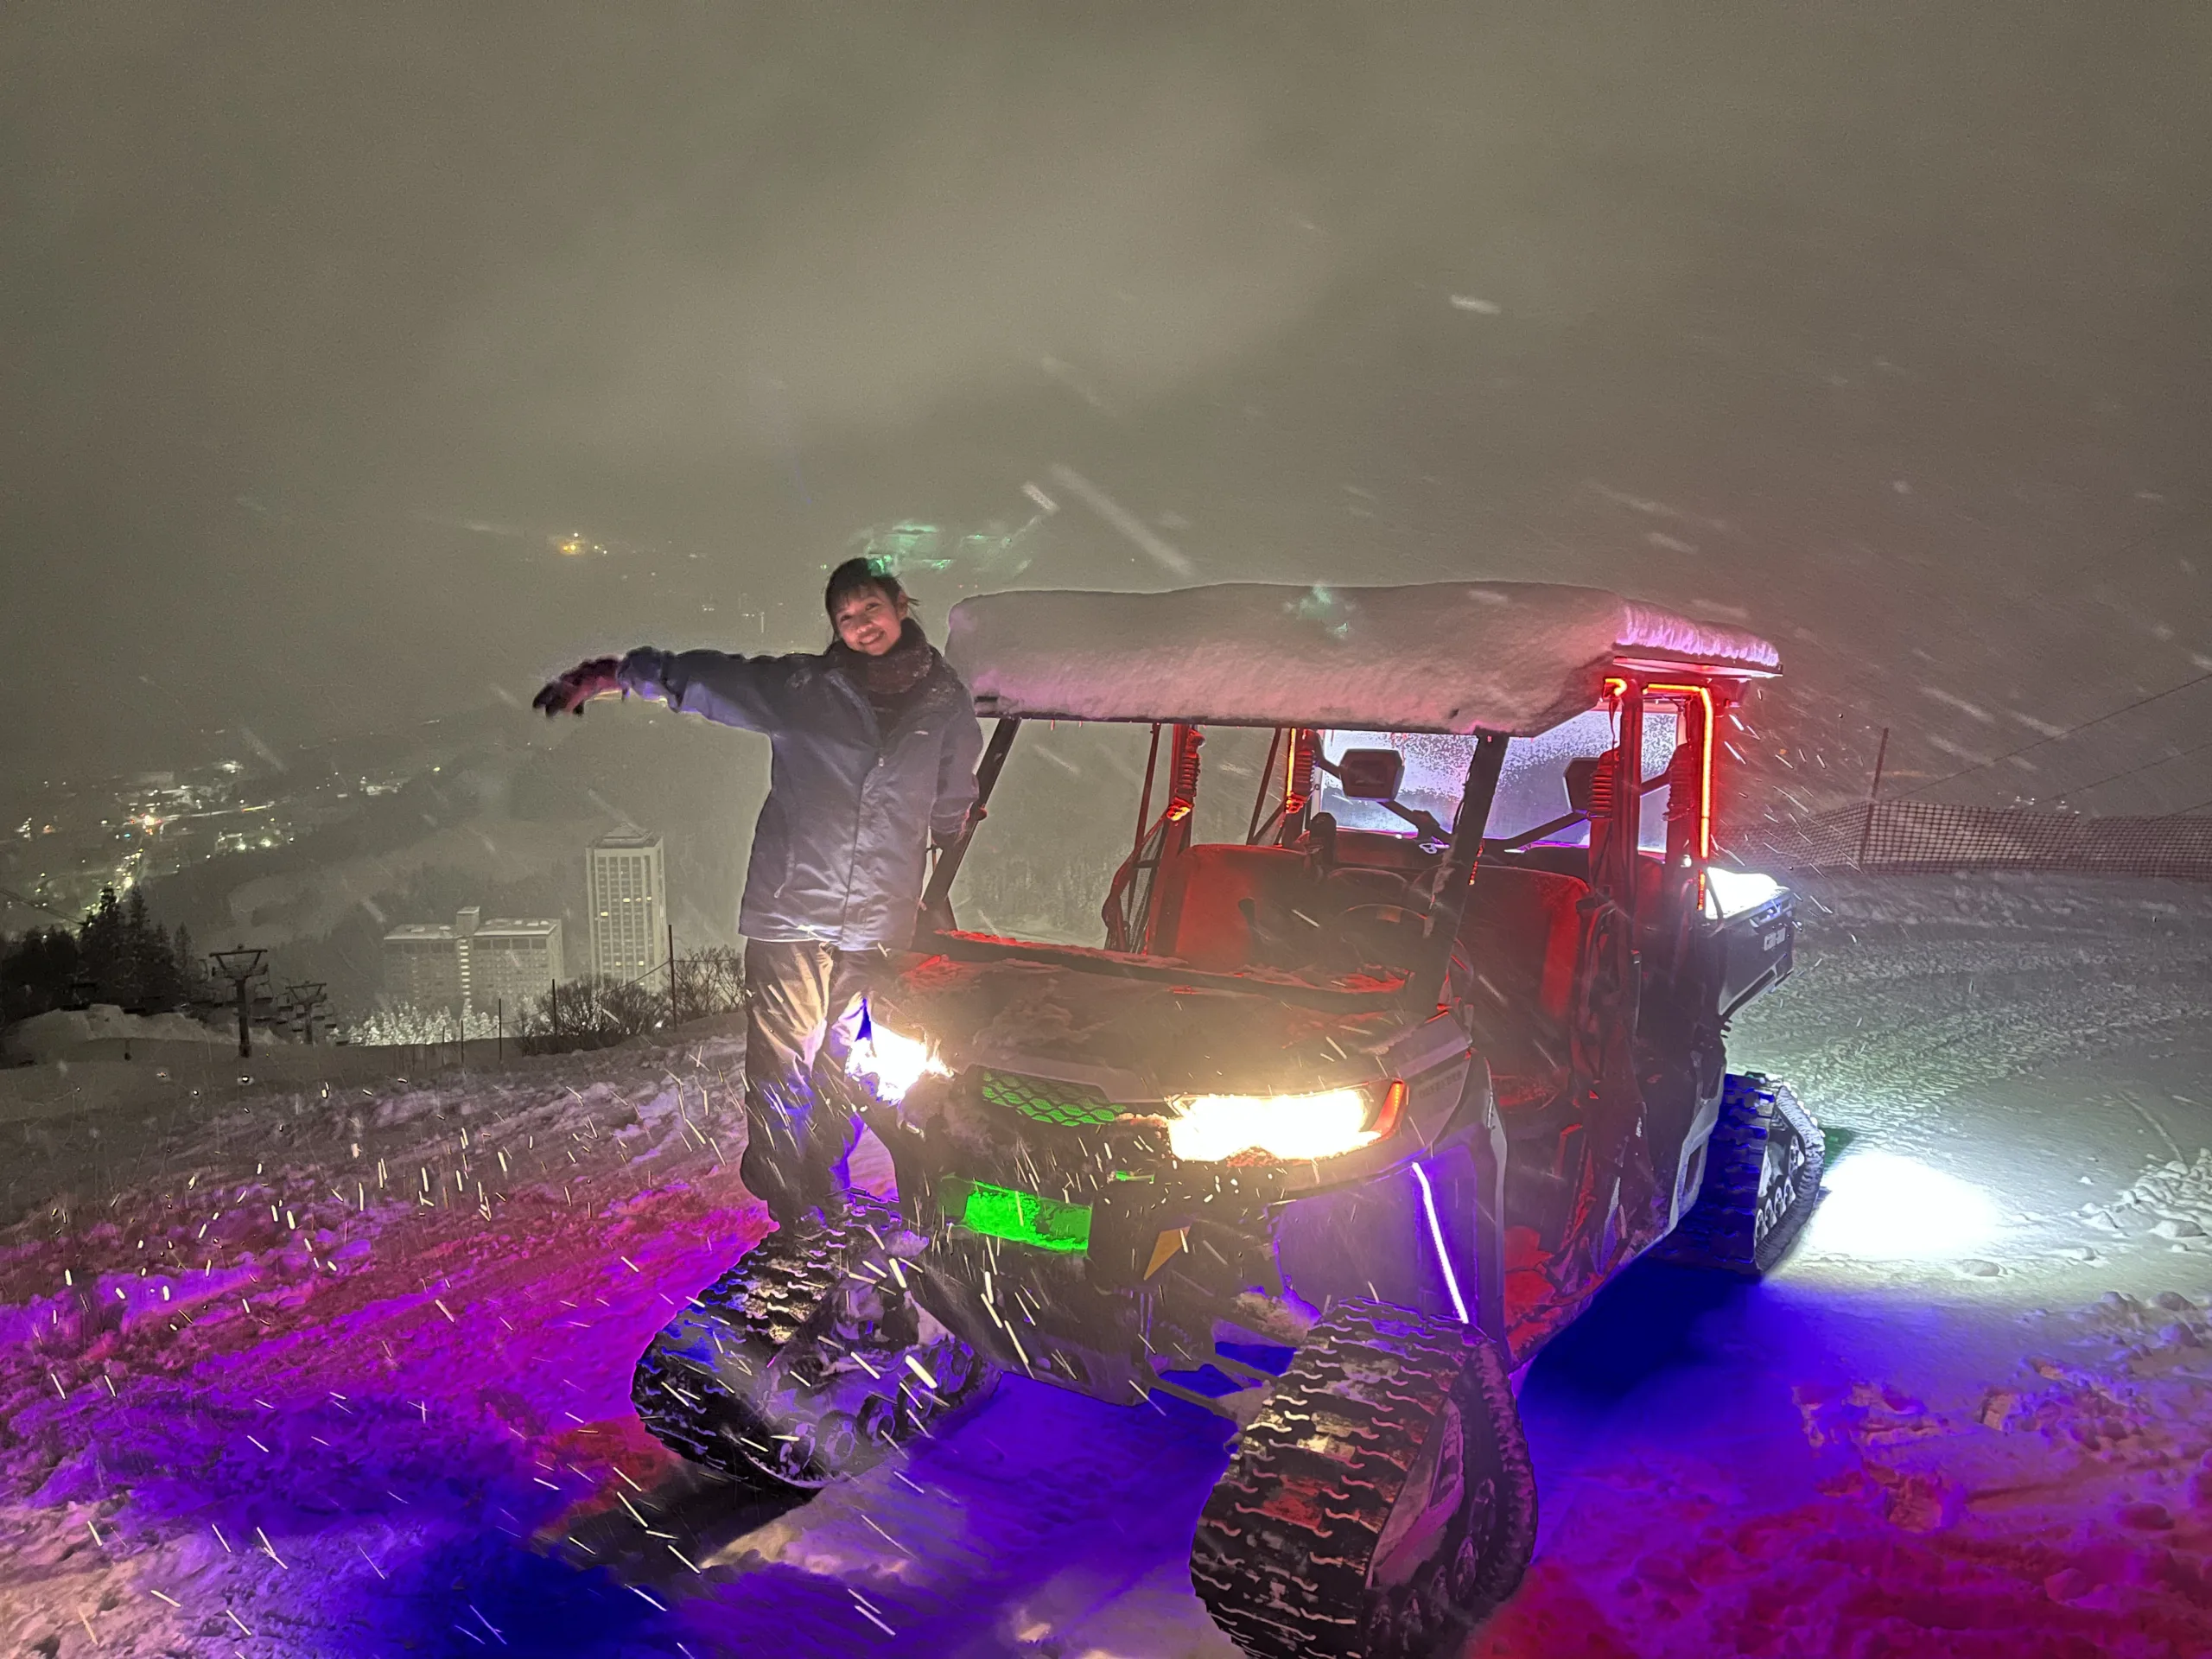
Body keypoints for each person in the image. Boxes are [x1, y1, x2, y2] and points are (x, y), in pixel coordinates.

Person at [533, 558, 983, 1232]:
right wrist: (618, 673)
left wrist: (952, 824)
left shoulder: (945, 703)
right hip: (790, 910)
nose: (861, 627)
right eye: (846, 618)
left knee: (849, 1065)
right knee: (783, 1062)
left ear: (900, 603)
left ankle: (823, 1178)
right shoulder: (807, 689)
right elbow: (717, 679)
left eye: (871, 609)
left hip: (875, 922)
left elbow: (954, 784)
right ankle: (786, 1189)